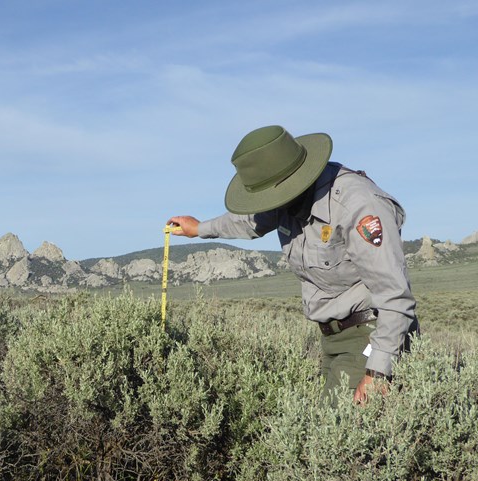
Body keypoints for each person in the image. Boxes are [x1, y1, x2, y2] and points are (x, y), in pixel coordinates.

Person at [168, 125, 417, 404]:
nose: (267, 205)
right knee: (321, 429)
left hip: (371, 334)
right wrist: (199, 228)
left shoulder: (357, 205)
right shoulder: (286, 196)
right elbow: (247, 221)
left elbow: (394, 293)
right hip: (332, 337)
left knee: (336, 436)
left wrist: (378, 371)